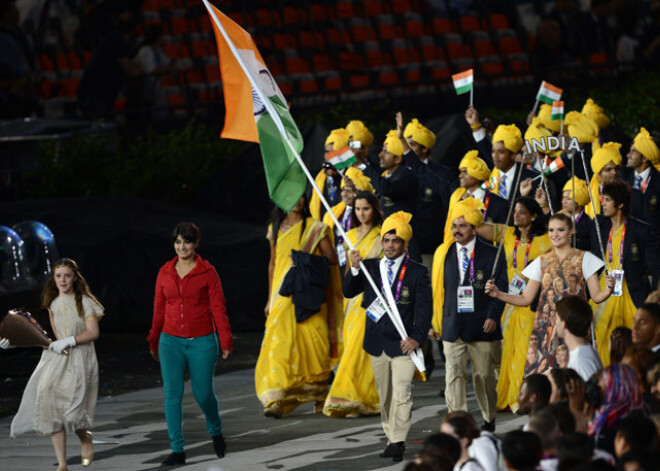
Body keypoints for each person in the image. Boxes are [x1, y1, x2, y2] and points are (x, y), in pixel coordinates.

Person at [344, 211, 432, 462]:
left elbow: (425, 310)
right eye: (386, 240)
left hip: (404, 344)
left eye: (395, 241)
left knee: (402, 392)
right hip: (377, 342)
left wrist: (416, 338)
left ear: (405, 244)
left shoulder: (417, 272)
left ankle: (397, 441)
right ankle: (390, 434)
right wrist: (354, 268)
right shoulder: (371, 267)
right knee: (386, 397)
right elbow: (348, 291)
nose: (390, 245)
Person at [4, 258, 104, 471]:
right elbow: (41, 336)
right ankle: (62, 464)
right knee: (51, 408)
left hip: (79, 359)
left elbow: (93, 332)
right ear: (54, 278)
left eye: (67, 275)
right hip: (53, 361)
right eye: (59, 276)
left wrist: (70, 340)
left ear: (74, 277)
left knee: (73, 412)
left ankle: (85, 438)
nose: (63, 280)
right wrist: (12, 343)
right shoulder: (50, 304)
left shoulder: (83, 301)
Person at [486, 213, 614, 374]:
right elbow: (525, 298)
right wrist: (498, 294)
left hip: (575, 327)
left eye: (560, 230)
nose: (555, 234)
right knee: (547, 380)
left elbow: (596, 296)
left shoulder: (585, 258)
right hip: (546, 329)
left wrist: (609, 289)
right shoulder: (541, 261)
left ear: (571, 231)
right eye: (551, 230)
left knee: (576, 375)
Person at [147, 222, 232, 465]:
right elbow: (158, 309)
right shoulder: (165, 272)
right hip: (170, 341)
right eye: (177, 242)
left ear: (195, 243)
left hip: (202, 341)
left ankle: (215, 431)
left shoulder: (208, 272)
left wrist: (225, 339)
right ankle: (177, 450)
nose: (181, 246)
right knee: (172, 396)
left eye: (186, 241)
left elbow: (218, 307)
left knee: (203, 393)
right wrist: (154, 340)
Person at [257, 197, 338, 418]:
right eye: (292, 196)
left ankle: (320, 395)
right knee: (279, 345)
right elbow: (273, 263)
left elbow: (331, 259)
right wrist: (269, 299)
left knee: (314, 343)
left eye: (302, 196)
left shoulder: (316, 228)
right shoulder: (274, 228)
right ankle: (277, 399)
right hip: (283, 293)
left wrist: (305, 261)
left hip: (310, 294)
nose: (298, 200)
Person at [432, 198, 508, 431]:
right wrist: (434, 322)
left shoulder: (493, 253)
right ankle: (458, 423)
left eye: (462, 226)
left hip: (483, 325)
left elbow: (501, 287)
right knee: (453, 377)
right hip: (452, 323)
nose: (457, 230)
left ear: (475, 228)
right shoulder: (443, 253)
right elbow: (436, 291)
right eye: (454, 226)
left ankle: (488, 418)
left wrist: (493, 317)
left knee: (484, 377)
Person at [476, 197, 551, 412]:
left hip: (531, 301)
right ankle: (509, 396)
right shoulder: (507, 234)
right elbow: (479, 228)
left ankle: (523, 397)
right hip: (508, 302)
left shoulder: (545, 241)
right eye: (515, 211)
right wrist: (470, 208)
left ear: (534, 216)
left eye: (522, 212)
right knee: (509, 348)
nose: (516, 216)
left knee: (526, 349)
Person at [323, 190, 383, 418]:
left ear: (374, 209)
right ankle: (354, 398)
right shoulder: (349, 235)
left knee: (367, 348)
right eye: (358, 209)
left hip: (375, 299)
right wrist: (355, 266)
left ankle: (361, 398)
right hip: (354, 300)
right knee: (352, 348)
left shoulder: (382, 235)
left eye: (366, 208)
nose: (362, 213)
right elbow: (348, 273)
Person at [591, 179, 651, 365]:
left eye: (608, 199)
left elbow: (654, 266)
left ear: (621, 204)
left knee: (633, 341)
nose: (603, 202)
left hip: (632, 293)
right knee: (601, 337)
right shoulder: (599, 227)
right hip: (604, 291)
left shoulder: (640, 230)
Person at [396, 113, 455, 268]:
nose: (406, 149)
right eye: (405, 144)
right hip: (402, 246)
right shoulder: (398, 173)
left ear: (425, 148)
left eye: (412, 145)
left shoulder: (442, 173)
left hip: (431, 247)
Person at [360, 130, 421, 260]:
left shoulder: (407, 176)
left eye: (386, 152)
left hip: (405, 248)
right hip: (386, 245)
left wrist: (362, 165)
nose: (380, 155)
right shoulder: (386, 176)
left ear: (398, 159)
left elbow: (386, 189)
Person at [77, 11, 142, 117]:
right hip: (95, 94)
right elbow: (131, 71)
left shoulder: (123, 43)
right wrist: (147, 70)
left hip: (104, 94)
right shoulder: (116, 40)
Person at [443, 150, 509, 241]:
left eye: (465, 172)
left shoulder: (499, 204)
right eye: (461, 171)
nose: (460, 175)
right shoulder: (457, 198)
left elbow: (504, 237)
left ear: (477, 175)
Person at [625, 127, 660, 285]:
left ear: (645, 158)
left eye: (633, 152)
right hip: (631, 247)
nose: (628, 155)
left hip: (656, 248)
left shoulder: (659, 181)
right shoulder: (624, 181)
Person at [309, 128, 349, 220]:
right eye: (327, 152)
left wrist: (337, 176)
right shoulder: (317, 178)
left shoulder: (350, 176)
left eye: (334, 152)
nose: (329, 157)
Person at [585, 142, 622, 218]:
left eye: (616, 169)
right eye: (608, 170)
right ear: (598, 174)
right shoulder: (587, 195)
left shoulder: (628, 193)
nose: (614, 172)